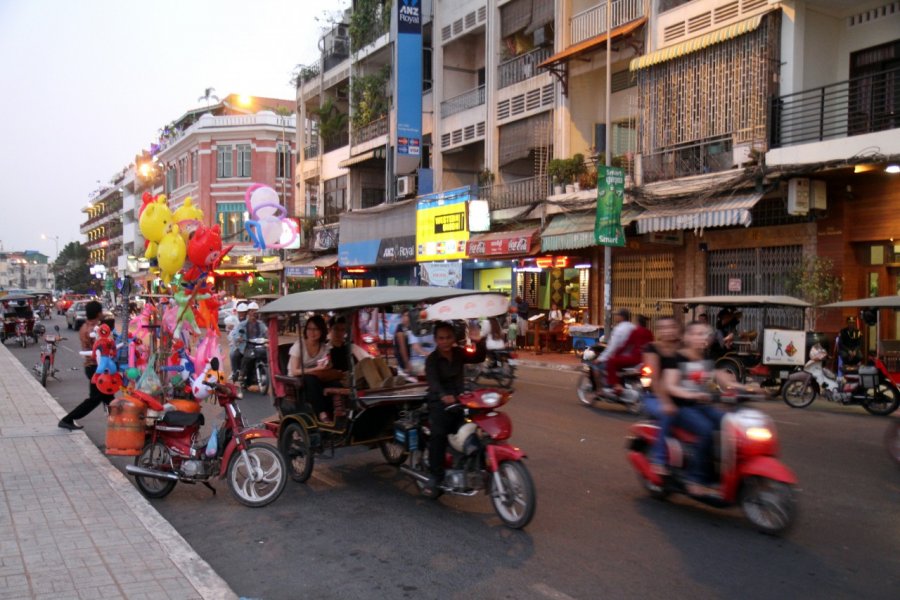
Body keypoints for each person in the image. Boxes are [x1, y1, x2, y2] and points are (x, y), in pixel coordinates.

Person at [662, 321, 754, 496]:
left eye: (704, 334)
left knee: (731, 423)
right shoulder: (677, 358)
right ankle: (694, 478)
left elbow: (723, 380)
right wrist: (691, 395)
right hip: (682, 408)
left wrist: (749, 389)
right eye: (696, 334)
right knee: (706, 430)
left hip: (701, 407)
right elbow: (670, 386)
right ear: (686, 337)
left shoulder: (705, 359)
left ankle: (722, 473)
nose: (701, 338)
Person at [423, 321, 486, 496]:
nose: (444, 341)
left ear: (453, 338)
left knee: (477, 427)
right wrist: (444, 396)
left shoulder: (459, 353)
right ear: (436, 340)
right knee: (439, 433)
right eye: (441, 338)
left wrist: (478, 340)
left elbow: (478, 357)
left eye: (448, 337)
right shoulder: (432, 360)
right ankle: (436, 476)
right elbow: (433, 382)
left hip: (460, 401)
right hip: (439, 403)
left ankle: (474, 465)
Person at [58, 301, 115, 430]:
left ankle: (120, 425)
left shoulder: (85, 326)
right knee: (96, 399)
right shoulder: (95, 330)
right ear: (98, 313)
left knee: (108, 397)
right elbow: (103, 347)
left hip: (91, 366)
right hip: (96, 367)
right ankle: (67, 419)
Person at [642, 317, 682, 472]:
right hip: (655, 397)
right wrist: (665, 402)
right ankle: (658, 458)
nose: (668, 331)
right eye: (663, 328)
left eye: (671, 327)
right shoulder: (652, 348)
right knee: (667, 415)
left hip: (679, 396)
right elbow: (655, 379)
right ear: (658, 331)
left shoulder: (682, 348)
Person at [593, 308, 636, 391]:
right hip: (632, 359)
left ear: (621, 317)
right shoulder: (633, 327)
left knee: (596, 367)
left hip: (620, 359)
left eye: (617, 315)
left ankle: (599, 390)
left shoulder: (619, 329)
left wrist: (600, 359)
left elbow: (612, 348)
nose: (615, 317)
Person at [230, 302, 268, 389]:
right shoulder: (242, 324)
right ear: (248, 313)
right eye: (252, 311)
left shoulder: (260, 324)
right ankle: (242, 373)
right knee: (247, 356)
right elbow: (235, 334)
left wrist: (269, 337)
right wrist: (239, 338)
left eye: (255, 312)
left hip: (258, 346)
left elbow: (266, 332)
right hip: (246, 345)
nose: (254, 314)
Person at [226, 303, 248, 381]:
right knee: (232, 354)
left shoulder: (250, 321)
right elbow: (230, 334)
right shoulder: (233, 321)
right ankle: (234, 372)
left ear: (246, 313)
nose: (241, 314)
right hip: (237, 344)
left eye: (243, 312)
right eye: (240, 312)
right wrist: (234, 336)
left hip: (249, 344)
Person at [393, 309, 412, 374]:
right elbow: (402, 348)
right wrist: (407, 363)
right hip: (404, 361)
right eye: (404, 316)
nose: (405, 318)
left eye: (408, 316)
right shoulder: (400, 328)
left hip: (411, 358)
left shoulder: (410, 328)